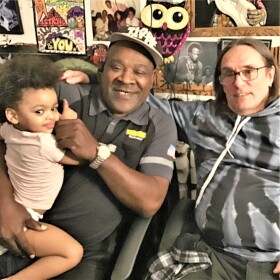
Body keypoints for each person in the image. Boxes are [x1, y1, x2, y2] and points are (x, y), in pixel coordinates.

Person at [64, 37, 280, 279]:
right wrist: (98, 77)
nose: (238, 82)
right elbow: (138, 94)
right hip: (213, 254)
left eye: (249, 72)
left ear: (270, 74)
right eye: (228, 73)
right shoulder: (203, 116)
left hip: (272, 261)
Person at [0, 26, 177, 279]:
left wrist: (95, 152)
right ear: (102, 68)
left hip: (86, 254)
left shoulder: (159, 124)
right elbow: (6, 133)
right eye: (117, 67)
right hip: (19, 223)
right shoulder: (65, 95)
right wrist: (5, 203)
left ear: (152, 79)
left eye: (140, 72)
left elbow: (150, 201)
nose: (126, 79)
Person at [0, 56, 84, 280]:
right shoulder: (45, 143)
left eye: (54, 109)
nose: (52, 117)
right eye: (39, 111)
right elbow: (80, 157)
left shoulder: (9, 131)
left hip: (15, 207)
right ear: (13, 114)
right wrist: (69, 123)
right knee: (72, 253)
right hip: (25, 217)